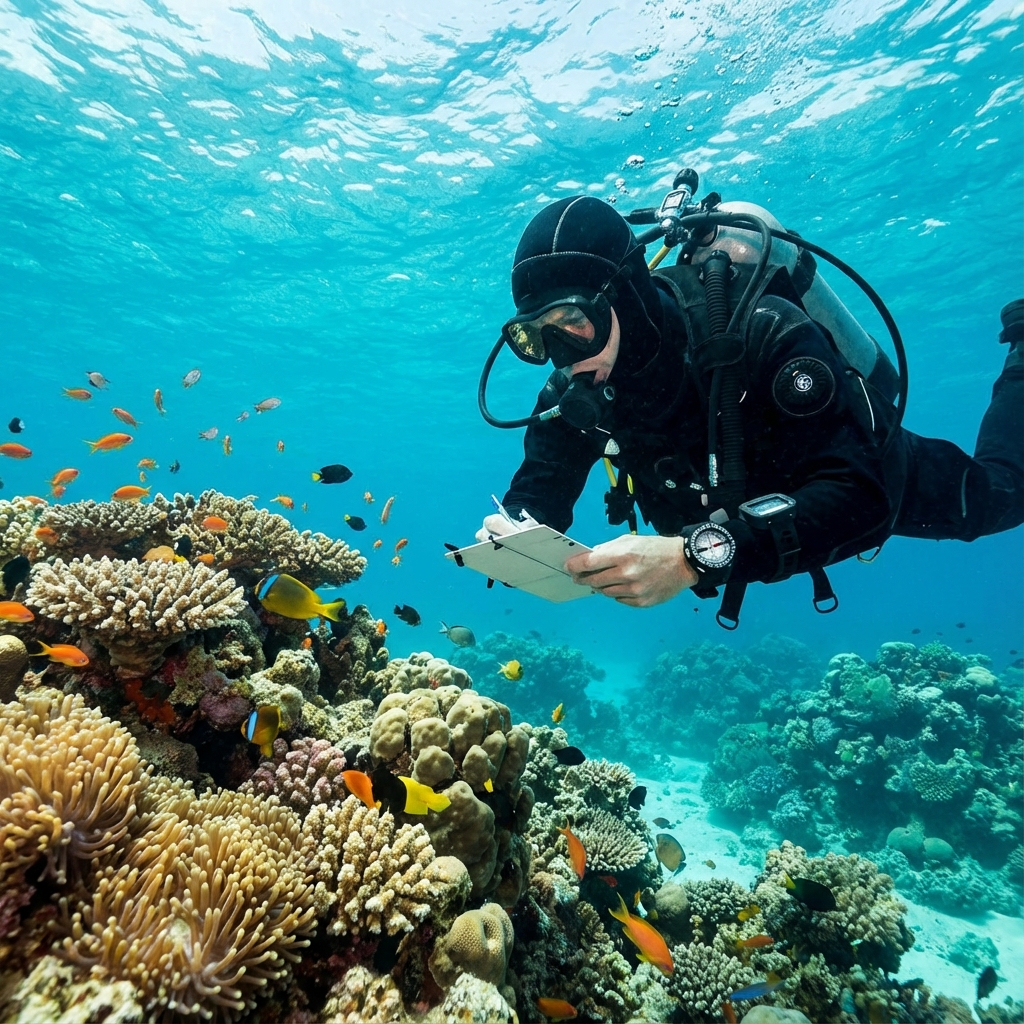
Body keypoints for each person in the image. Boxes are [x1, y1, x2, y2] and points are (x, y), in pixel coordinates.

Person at [476, 195, 1023, 623]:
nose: (562, 356)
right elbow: (542, 486)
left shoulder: (763, 332)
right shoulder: (580, 387)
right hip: (741, 524)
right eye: (537, 336)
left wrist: (693, 559)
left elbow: (861, 496)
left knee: (1002, 496)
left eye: (574, 322)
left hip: (863, 468)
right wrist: (515, 534)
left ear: (624, 297)